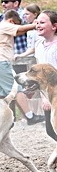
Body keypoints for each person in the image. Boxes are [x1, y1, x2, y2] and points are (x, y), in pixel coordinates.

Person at [0, 10, 35, 102]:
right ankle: (30, 115)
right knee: (16, 90)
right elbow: (21, 29)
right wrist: (37, 25)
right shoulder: (4, 25)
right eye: (15, 24)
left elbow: (19, 32)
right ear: (11, 21)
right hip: (0, 62)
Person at [33, 10, 57, 140]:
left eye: (42, 22)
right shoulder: (39, 45)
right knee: (50, 130)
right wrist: (44, 97)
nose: (38, 25)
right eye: (37, 22)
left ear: (54, 26)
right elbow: (40, 76)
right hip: (47, 94)